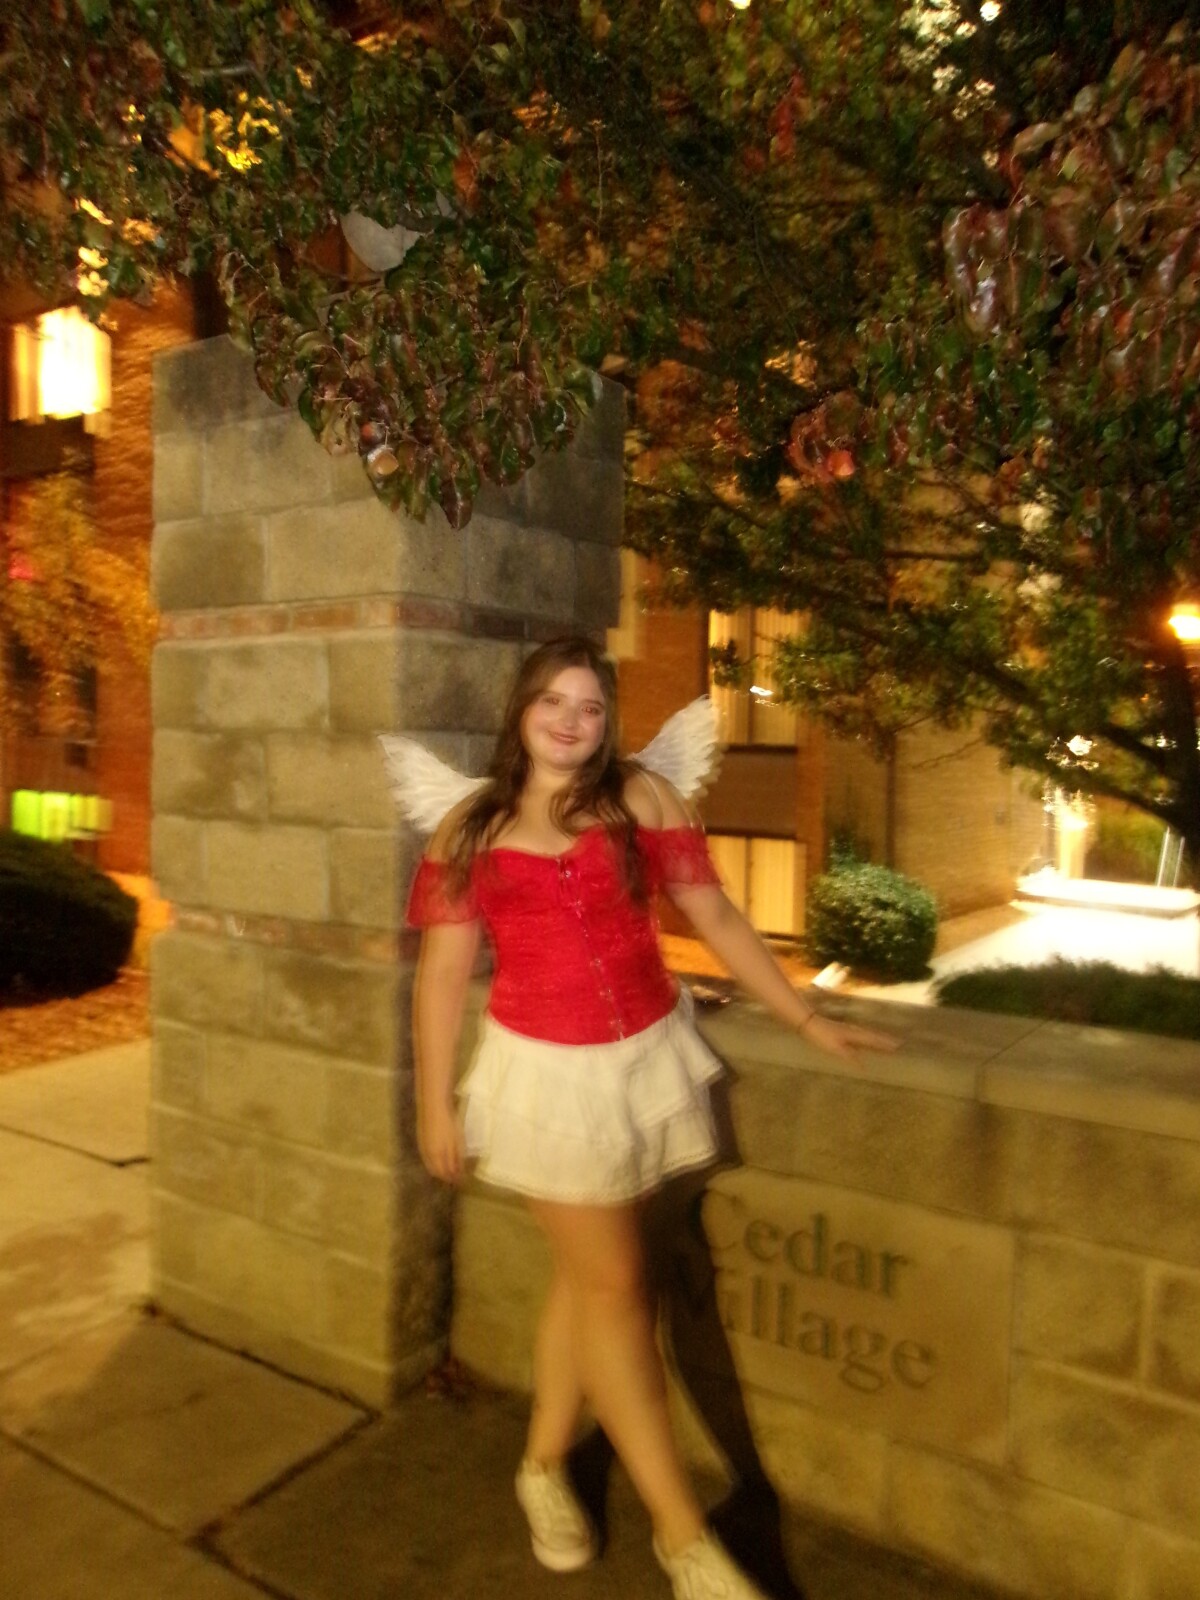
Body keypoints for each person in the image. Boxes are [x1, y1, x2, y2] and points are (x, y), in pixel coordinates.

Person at [405, 635, 894, 1600]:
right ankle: (682, 1537)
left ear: (608, 722)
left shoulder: (642, 797)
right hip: (545, 1078)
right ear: (521, 709)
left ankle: (542, 1466)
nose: (570, 722)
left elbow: (716, 918)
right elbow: (442, 977)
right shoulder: (470, 826)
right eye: (552, 702)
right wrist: (432, 1104)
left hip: (644, 1059)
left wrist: (805, 1017)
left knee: (588, 1280)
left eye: (590, 707)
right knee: (620, 1288)